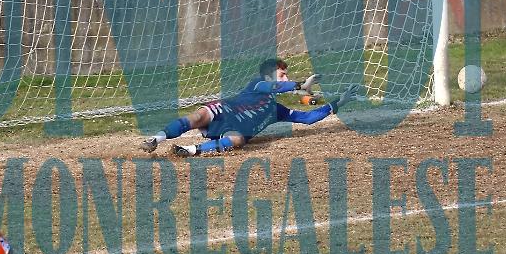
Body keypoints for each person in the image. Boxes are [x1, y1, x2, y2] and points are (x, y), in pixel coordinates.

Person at [140, 57, 358, 157]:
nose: (286, 78)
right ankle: (155, 139)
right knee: (197, 116)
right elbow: (274, 86)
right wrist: (299, 85)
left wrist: (340, 102)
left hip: (233, 129)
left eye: (287, 76)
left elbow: (308, 119)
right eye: (283, 74)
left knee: (237, 140)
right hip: (222, 111)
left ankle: (189, 151)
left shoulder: (277, 111)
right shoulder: (258, 84)